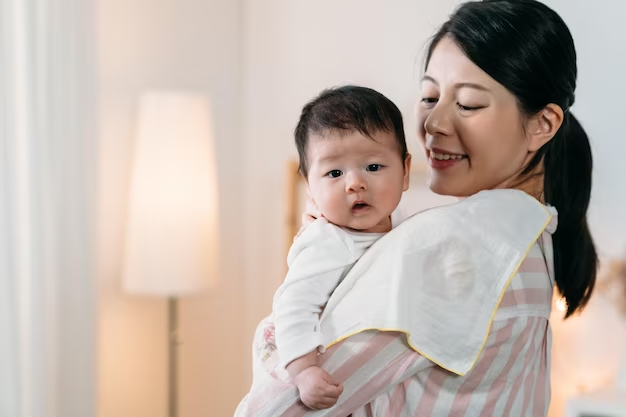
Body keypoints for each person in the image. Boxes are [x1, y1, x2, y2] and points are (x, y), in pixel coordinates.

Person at [235, 1, 598, 415]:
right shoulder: (530, 239)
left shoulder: (456, 246)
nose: (433, 123)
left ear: (542, 124)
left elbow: (278, 409)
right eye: (429, 96)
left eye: (468, 104)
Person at [267, 85, 411, 410]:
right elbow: (293, 306)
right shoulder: (327, 242)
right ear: (311, 189)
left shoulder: (404, 225)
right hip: (322, 368)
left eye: (373, 167)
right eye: (334, 173)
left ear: (405, 172)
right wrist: (304, 372)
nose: (354, 183)